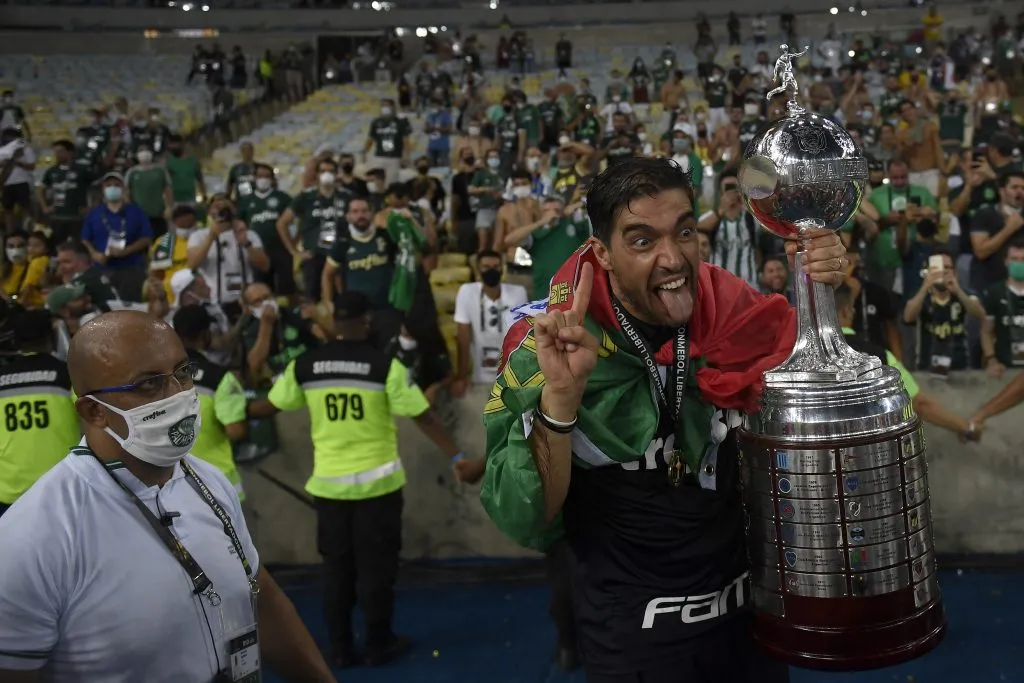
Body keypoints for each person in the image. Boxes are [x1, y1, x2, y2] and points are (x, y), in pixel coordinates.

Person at [480, 157, 849, 683]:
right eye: (641, 240)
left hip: (752, 621)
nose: (672, 258)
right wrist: (562, 398)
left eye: (683, 231)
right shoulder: (545, 345)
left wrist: (820, 291)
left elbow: (822, 390)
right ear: (602, 253)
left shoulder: (733, 308)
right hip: (636, 637)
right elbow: (526, 515)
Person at [0, 311, 336, 682]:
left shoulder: (208, 482)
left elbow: (263, 602)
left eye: (182, 372)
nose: (178, 394)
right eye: (149, 384)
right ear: (94, 411)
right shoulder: (35, 536)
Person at [248, 291, 484, 668]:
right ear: (367, 322)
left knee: (336, 571)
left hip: (330, 488)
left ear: (335, 322)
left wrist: (224, 402)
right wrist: (457, 456)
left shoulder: (305, 366)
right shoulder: (383, 366)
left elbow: (270, 405)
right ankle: (378, 644)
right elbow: (422, 415)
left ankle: (340, 649)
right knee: (377, 568)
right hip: (379, 489)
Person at [835, 285, 973, 436]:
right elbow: (919, 404)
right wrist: (965, 427)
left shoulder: (805, 359)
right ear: (847, 311)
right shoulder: (879, 356)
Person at [0, 310, 80, 519]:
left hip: (9, 492)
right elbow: (94, 422)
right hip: (60, 488)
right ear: (49, 337)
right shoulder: (67, 375)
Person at [173, 305, 249, 500]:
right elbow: (235, 430)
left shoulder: (156, 376)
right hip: (217, 483)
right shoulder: (219, 378)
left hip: (173, 484)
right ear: (205, 334)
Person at [450, 250, 529, 397]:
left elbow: (520, 337)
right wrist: (461, 376)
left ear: (502, 269)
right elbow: (463, 337)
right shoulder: (467, 292)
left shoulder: (518, 293)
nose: (491, 270)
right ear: (477, 269)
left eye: (496, 266)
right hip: (479, 375)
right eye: (486, 266)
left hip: (510, 375)